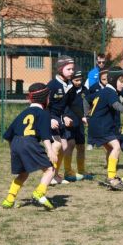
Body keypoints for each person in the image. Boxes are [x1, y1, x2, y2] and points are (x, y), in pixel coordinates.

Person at [1, 83, 57, 210]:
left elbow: (8, 135)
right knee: (50, 170)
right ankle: (39, 193)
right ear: (45, 98)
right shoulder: (43, 113)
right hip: (29, 142)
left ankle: (9, 200)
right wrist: (50, 150)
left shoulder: (23, 113)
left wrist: (14, 150)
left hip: (15, 143)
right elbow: (45, 135)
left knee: (23, 173)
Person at [87, 67, 123, 190]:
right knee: (116, 147)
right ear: (113, 80)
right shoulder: (110, 92)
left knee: (111, 149)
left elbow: (86, 99)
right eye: (121, 81)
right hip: (101, 126)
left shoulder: (105, 91)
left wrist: (86, 115)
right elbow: (115, 104)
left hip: (96, 125)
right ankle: (112, 178)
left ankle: (111, 175)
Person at [46, 56, 80, 185]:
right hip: (50, 117)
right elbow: (44, 105)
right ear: (60, 69)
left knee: (65, 147)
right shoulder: (52, 85)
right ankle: (49, 175)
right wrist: (49, 119)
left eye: (73, 69)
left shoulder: (70, 85)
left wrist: (66, 115)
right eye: (68, 69)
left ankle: (55, 174)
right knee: (57, 145)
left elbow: (68, 104)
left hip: (60, 117)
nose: (72, 71)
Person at [66, 70, 94, 180]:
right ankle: (68, 172)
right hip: (70, 121)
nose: (78, 82)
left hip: (81, 122)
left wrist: (88, 115)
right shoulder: (68, 90)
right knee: (70, 145)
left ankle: (81, 170)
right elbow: (68, 105)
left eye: (80, 80)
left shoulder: (85, 90)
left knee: (81, 147)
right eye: (76, 80)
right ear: (71, 80)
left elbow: (89, 104)